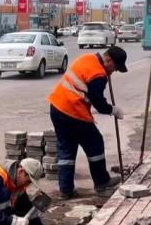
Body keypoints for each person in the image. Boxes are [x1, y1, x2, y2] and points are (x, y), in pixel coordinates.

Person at [48, 46, 128, 200]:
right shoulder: (98, 73)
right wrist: (112, 110)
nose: (114, 71)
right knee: (95, 144)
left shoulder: (87, 58)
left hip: (57, 107)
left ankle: (65, 190)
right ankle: (102, 184)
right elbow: (98, 101)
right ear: (108, 60)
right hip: (73, 111)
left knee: (66, 148)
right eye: (115, 67)